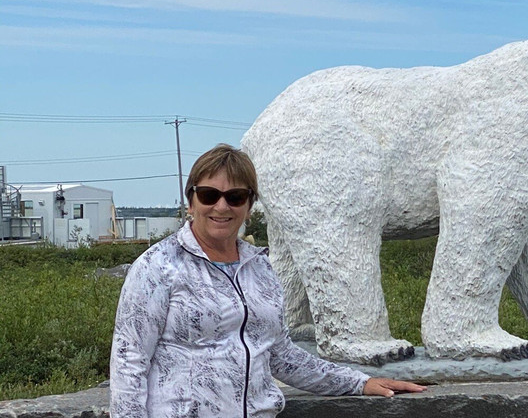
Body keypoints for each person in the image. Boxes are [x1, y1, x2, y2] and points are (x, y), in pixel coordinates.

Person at [110, 143, 424, 417]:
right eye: (209, 195)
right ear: (191, 202)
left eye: (235, 197)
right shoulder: (157, 267)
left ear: (249, 206)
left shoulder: (260, 268)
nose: (221, 206)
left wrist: (360, 382)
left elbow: (279, 354)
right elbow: (129, 362)